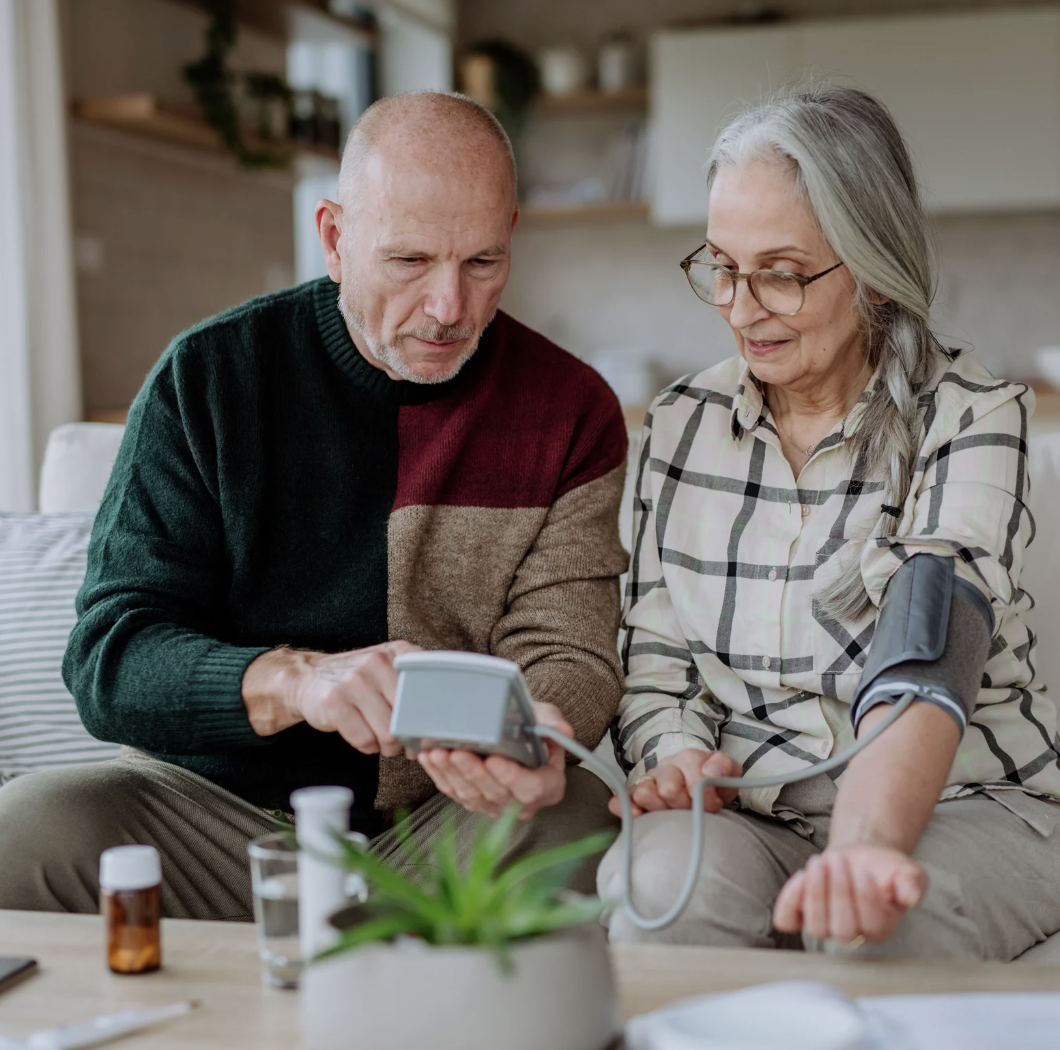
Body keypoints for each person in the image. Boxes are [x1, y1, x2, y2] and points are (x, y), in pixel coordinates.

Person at [0, 92, 627, 918]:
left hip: (444, 827)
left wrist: (538, 736)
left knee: (575, 817)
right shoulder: (210, 378)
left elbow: (570, 652)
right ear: (335, 237)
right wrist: (294, 682)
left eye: (483, 261)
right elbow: (110, 657)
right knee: (30, 827)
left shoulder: (569, 409)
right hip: (212, 821)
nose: (450, 307)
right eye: (409, 262)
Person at [599, 85, 1060, 959]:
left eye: (780, 272)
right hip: (754, 810)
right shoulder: (678, 425)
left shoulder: (971, 416)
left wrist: (864, 846)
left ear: (873, 266)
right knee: (657, 890)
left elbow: (929, 659)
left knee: (879, 927)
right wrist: (680, 757)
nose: (741, 306)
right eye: (722, 267)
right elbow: (657, 670)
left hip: (962, 804)